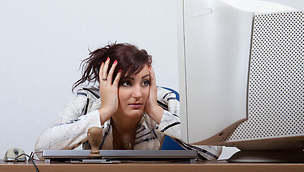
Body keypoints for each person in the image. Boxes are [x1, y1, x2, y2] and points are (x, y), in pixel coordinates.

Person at [34, 43, 221, 160]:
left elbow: (212, 150)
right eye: (126, 83)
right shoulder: (88, 102)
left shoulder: (164, 101)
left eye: (145, 82)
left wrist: (156, 111)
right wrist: (104, 112)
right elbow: (42, 149)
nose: (138, 93)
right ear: (107, 84)